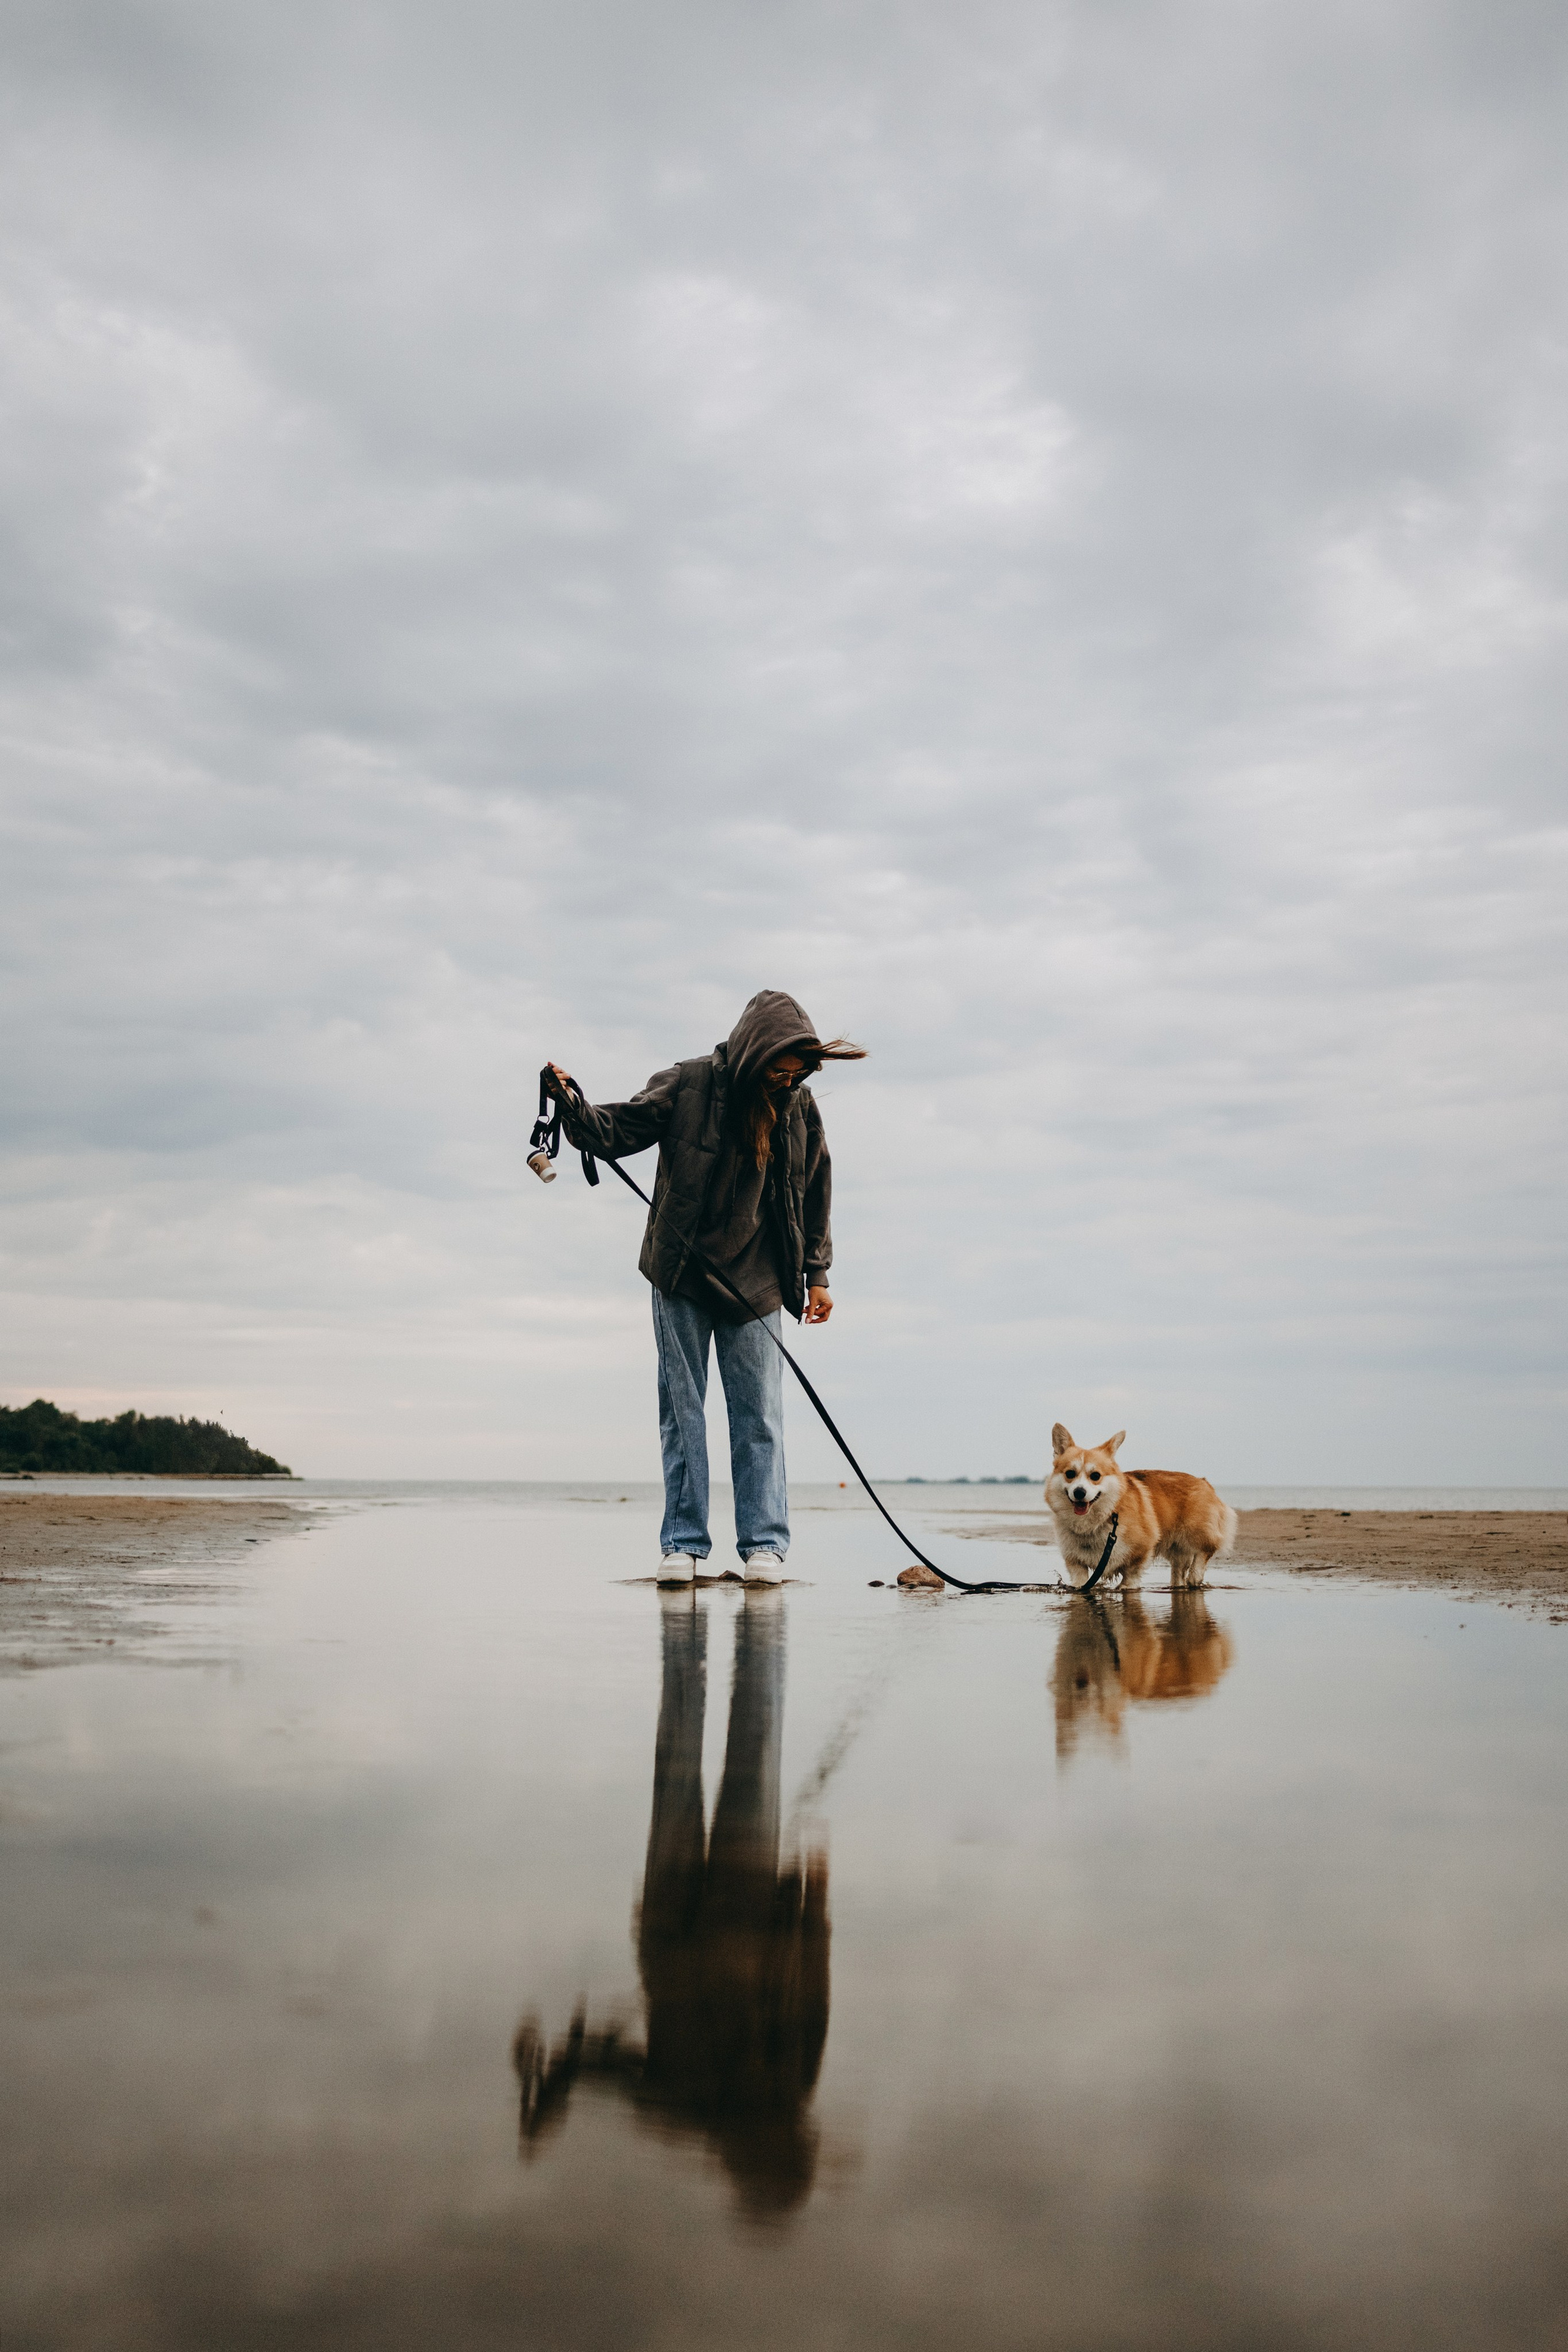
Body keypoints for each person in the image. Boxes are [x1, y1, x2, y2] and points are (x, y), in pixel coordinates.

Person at [545, 990, 865, 1584]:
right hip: (682, 1274)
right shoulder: (686, 1084)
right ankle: (684, 1546)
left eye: (798, 1070)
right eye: (779, 1066)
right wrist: (571, 1103)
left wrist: (816, 1274)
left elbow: (816, 1186)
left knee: (759, 1419)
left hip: (761, 1281)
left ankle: (763, 1546)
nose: (787, 1079)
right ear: (752, 1050)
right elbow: (615, 1131)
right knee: (682, 1414)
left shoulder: (798, 1105)